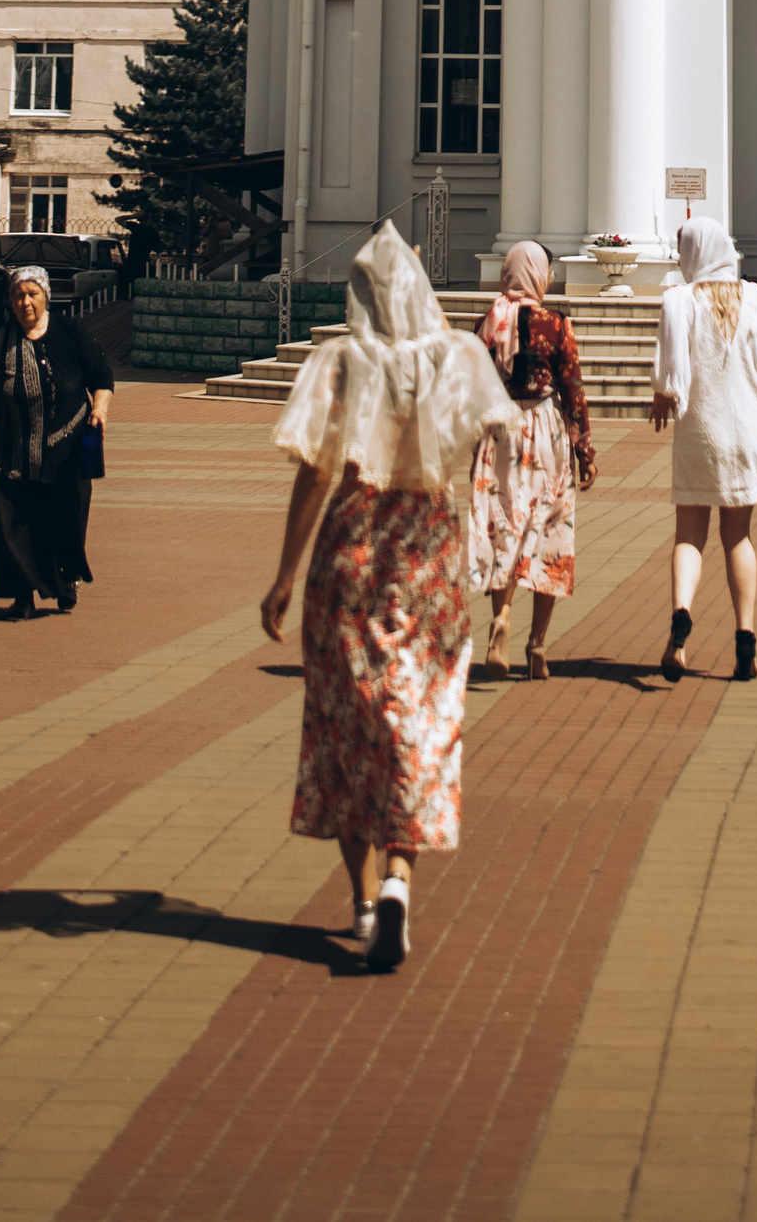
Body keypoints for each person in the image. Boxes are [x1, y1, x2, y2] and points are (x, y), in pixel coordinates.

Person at [258, 219, 508, 973]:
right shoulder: (456, 357)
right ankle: (400, 879)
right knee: (421, 719)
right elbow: (487, 442)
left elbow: (315, 471)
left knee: (346, 721)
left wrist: (283, 576)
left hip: (353, 552)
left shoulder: (342, 361)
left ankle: (364, 905)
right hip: (428, 549)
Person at [648, 216, 757, 683]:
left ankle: (680, 616)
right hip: (748, 435)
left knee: (689, 535)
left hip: (699, 430)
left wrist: (661, 391)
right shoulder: (755, 298)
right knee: (739, 537)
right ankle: (745, 640)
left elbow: (670, 372)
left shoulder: (680, 300)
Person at [0, 263, 113, 619]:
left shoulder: (70, 331)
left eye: (32, 294)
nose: (25, 302)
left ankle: (66, 580)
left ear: (46, 297)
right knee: (14, 525)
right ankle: (23, 596)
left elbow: (101, 375)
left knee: (66, 521)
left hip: (67, 452)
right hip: (14, 450)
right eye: (18, 295)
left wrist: (99, 410)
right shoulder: (0, 339)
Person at [468, 238, 596, 679]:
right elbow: (572, 390)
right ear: (539, 274)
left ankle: (500, 618)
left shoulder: (489, 322)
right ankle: (537, 644)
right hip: (545, 434)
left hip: (500, 432)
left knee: (503, 524)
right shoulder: (556, 324)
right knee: (549, 532)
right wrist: (585, 452)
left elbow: (469, 385)